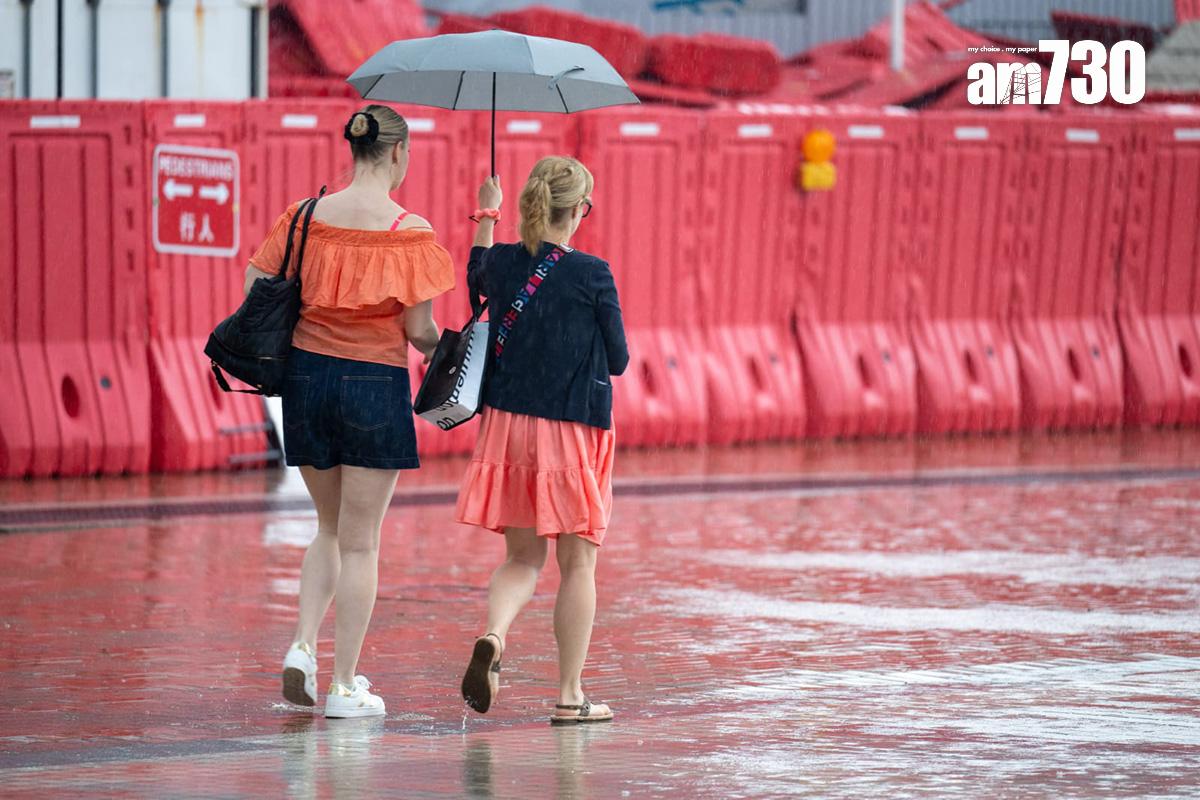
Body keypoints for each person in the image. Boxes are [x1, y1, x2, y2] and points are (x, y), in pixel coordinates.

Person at [244, 105, 455, 719]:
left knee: (328, 529)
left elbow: (256, 288)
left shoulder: (306, 216)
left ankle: (302, 646)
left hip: (306, 384)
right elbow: (419, 332)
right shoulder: (408, 231)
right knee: (362, 543)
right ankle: (343, 686)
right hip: (373, 385)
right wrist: (459, 353)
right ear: (396, 154)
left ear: (354, 151)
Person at [455, 156, 628, 724]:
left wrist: (488, 211)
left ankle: (494, 636)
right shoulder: (594, 273)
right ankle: (570, 695)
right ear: (578, 209)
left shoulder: (504, 261)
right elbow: (620, 360)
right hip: (570, 429)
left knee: (523, 556)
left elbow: (476, 271)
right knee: (578, 565)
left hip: (508, 428)